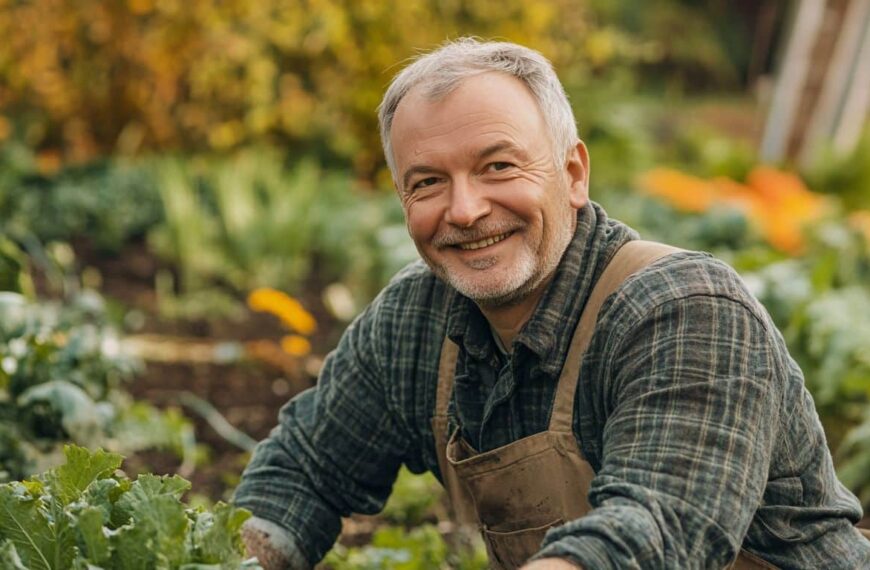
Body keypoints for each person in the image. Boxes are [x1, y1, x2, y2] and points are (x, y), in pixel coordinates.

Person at [233, 38, 870, 569]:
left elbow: (659, 529)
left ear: (572, 174)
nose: (464, 210)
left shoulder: (683, 310)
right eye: (428, 182)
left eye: (498, 166)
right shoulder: (415, 321)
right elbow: (304, 470)